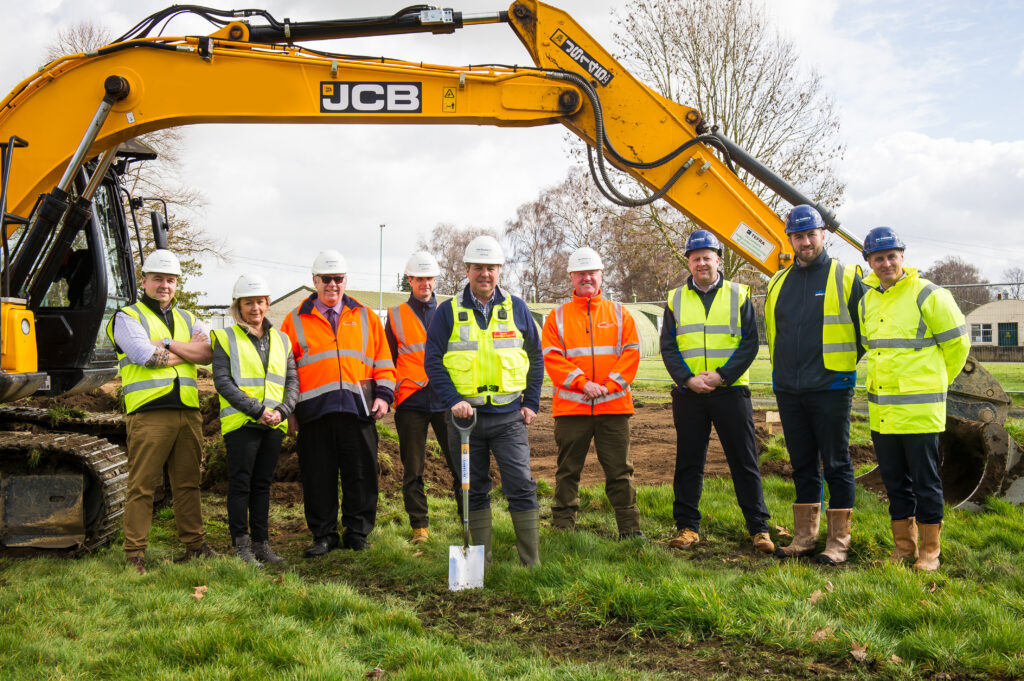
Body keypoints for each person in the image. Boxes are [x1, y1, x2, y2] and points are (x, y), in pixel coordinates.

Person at [424, 235, 544, 567]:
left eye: (491, 268)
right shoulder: (447, 312)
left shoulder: (517, 308)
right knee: (472, 488)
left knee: (520, 484)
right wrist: (452, 400)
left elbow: (535, 356)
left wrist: (531, 402)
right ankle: (481, 562)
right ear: (467, 269)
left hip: (509, 418)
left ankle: (530, 563)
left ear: (500, 270)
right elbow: (432, 360)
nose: (485, 274)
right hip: (465, 420)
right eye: (478, 267)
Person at [859, 227, 969, 572]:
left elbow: (958, 345)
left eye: (892, 256)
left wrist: (937, 382)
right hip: (883, 412)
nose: (887, 263)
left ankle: (929, 552)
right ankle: (904, 547)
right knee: (894, 481)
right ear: (869, 262)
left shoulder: (929, 294)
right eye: (879, 258)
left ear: (902, 257)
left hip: (920, 411)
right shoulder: (867, 300)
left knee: (925, 482)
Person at [660, 230, 775, 554]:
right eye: (695, 258)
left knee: (744, 461)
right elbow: (668, 347)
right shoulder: (675, 299)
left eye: (707, 257)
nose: (701, 263)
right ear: (689, 262)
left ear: (718, 260)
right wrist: (687, 379)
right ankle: (686, 528)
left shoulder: (739, 295)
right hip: (690, 395)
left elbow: (751, 342)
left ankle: (759, 529)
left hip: (731, 391)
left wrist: (722, 376)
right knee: (688, 462)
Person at [764, 205, 865, 565]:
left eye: (811, 234)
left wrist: (841, 369)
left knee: (836, 463)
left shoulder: (846, 277)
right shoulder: (778, 282)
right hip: (789, 390)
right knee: (802, 464)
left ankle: (838, 542)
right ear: (789, 239)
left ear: (823, 235)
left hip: (832, 387)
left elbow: (865, 332)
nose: (805, 242)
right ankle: (805, 537)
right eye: (798, 235)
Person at [105, 249, 217, 574]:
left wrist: (165, 343)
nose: (164, 285)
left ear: (176, 284)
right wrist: (186, 350)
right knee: (143, 485)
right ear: (145, 281)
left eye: (170, 280)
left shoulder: (187, 318)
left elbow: (209, 352)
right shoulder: (128, 317)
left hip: (188, 411)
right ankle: (135, 554)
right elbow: (146, 357)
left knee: (188, 482)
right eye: (157, 279)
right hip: (149, 412)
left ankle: (195, 547)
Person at [280, 250, 396, 557]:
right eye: (326, 279)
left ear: (346, 280)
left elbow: (384, 361)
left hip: (359, 410)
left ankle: (357, 533)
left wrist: (384, 397)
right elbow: (285, 371)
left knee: (361, 473)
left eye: (338, 279)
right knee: (318, 476)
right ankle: (324, 534)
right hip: (314, 414)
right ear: (314, 281)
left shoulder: (367, 317)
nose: (333, 284)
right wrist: (290, 411)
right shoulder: (294, 321)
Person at [541, 247, 643, 539]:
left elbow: (631, 355)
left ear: (601, 275)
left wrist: (607, 386)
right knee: (567, 471)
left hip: (613, 408)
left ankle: (630, 531)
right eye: (581, 273)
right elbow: (552, 357)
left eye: (592, 272)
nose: (587, 277)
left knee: (621, 472)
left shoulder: (620, 314)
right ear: (572, 277)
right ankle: (562, 530)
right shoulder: (556, 317)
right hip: (572, 409)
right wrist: (584, 383)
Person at [211, 274, 298, 566]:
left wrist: (283, 411)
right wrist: (257, 410)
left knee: (262, 485)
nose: (255, 308)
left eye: (260, 302)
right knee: (241, 484)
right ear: (238, 306)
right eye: (248, 303)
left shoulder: (282, 339)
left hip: (273, 424)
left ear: (268, 303)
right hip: (242, 424)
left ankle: (262, 544)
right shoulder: (225, 338)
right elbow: (223, 382)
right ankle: (241, 547)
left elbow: (292, 381)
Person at [386, 251, 462, 545]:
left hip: (446, 400)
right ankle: (420, 527)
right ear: (410, 280)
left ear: (435, 280)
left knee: (459, 465)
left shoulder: (451, 311)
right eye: (419, 278)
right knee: (413, 469)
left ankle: (466, 520)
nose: (425, 283)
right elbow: (388, 360)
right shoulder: (394, 316)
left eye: (429, 278)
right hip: (412, 402)